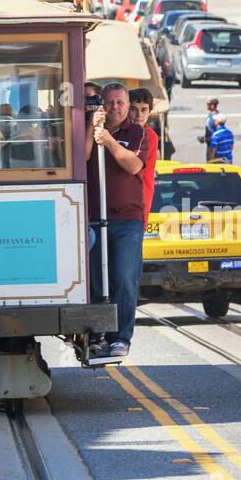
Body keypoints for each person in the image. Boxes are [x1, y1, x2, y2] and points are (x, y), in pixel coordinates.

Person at [85, 83, 148, 360]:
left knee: (123, 277)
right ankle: (97, 335)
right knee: (98, 281)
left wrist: (109, 140)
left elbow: (134, 165)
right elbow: (85, 155)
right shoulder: (93, 127)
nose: (115, 108)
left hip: (127, 220)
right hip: (95, 218)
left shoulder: (136, 132)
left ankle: (121, 338)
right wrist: (92, 127)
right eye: (109, 103)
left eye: (120, 102)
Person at [128, 88, 159, 225]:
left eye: (144, 109)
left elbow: (132, 166)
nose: (139, 114)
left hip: (138, 204)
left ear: (149, 111)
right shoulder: (123, 131)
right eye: (134, 109)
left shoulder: (148, 135)